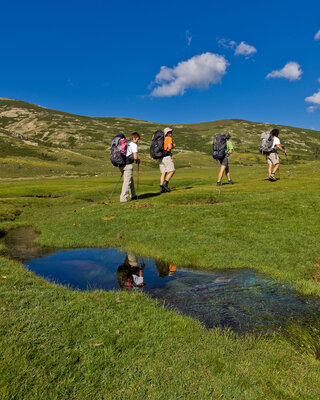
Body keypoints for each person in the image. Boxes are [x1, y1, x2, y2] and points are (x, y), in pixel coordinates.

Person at [119, 132, 140, 202]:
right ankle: (123, 199)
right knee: (127, 182)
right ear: (134, 138)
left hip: (121, 164)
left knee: (130, 180)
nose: (138, 141)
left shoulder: (126, 143)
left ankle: (133, 195)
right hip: (128, 165)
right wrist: (137, 160)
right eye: (137, 139)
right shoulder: (134, 145)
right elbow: (135, 157)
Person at [159, 127, 176, 193]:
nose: (171, 133)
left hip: (161, 158)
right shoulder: (168, 138)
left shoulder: (162, 139)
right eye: (170, 132)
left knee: (163, 173)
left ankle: (161, 188)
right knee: (172, 171)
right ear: (167, 133)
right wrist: (173, 146)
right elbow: (169, 147)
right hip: (167, 157)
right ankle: (165, 185)